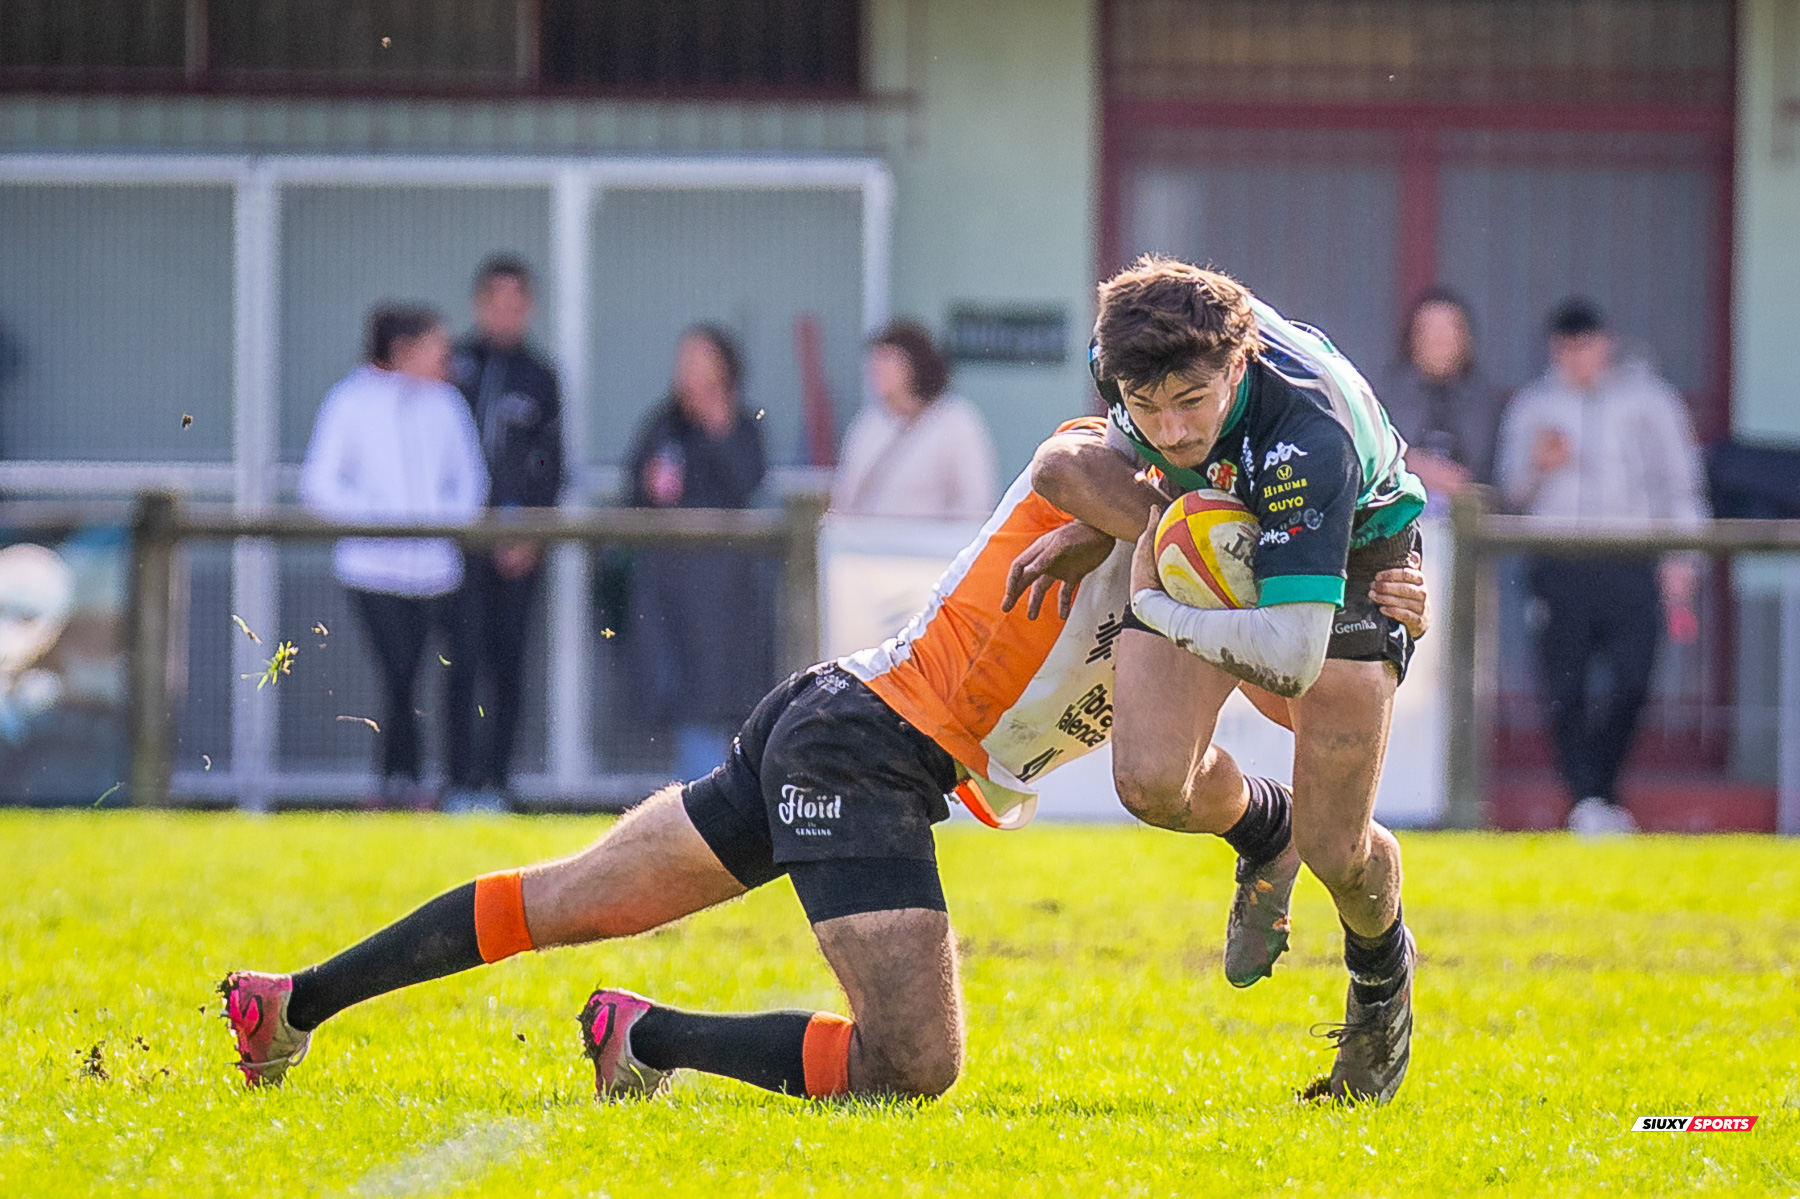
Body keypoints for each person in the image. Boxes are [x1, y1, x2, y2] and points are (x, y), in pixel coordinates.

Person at [218, 417, 1429, 1104]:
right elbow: (1071, 464)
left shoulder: (1235, 570)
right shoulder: (1130, 480)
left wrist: (1373, 620)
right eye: (1154, 400)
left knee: (576, 897)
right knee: (911, 1067)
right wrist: (1163, 501)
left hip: (837, 715)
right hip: (865, 749)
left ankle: (291, 1003)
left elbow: (1291, 687)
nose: (1172, 420)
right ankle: (645, 1036)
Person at [1007, 256, 1427, 1103]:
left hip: (1349, 565)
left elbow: (1290, 657)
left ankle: (1382, 989)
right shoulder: (1129, 356)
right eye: (1144, 403)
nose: (1168, 426)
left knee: (1339, 851)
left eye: (1191, 402)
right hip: (1225, 521)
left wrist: (1159, 607)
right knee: (1152, 782)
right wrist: (1106, 527)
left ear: (1238, 364)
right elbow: (1130, 450)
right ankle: (1262, 828)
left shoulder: (1310, 435)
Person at [1494, 298, 1707, 836]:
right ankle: (1588, 800)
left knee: (1634, 677)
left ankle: (1599, 789)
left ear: (1605, 344)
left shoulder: (1650, 401)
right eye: (1565, 348)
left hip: (1630, 556)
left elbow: (1678, 484)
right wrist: (1538, 467)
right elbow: (1508, 495)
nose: (1576, 358)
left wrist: (1683, 559)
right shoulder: (1533, 405)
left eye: (1585, 346)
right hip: (1559, 560)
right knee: (1563, 685)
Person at [299, 304, 489, 810]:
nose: (446, 358)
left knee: (455, 673)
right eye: (435, 347)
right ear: (403, 349)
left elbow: (470, 480)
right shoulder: (349, 402)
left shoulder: (447, 404)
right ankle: (396, 782)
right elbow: (320, 484)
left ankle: (455, 786)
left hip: (438, 572)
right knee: (398, 676)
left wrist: (441, 524)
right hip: (372, 572)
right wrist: (381, 520)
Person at [443, 256, 565, 813]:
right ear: (478, 304)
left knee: (508, 664)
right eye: (497, 303)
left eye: (517, 304)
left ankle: (496, 782)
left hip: (517, 548)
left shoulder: (541, 376)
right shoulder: (454, 367)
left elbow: (551, 461)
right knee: (459, 661)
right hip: (457, 548)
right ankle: (456, 782)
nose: (506, 314)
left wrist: (531, 535)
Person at [623, 326, 771, 782]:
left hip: (726, 595)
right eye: (681, 361)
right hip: (665, 588)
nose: (686, 373)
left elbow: (748, 480)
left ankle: (710, 794)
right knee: (668, 691)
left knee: (721, 699)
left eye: (698, 361)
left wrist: (717, 424)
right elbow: (635, 490)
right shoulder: (662, 424)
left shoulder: (742, 425)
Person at [830, 321, 998, 520]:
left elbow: (975, 500)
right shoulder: (867, 424)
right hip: (869, 546)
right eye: (875, 361)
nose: (877, 370)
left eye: (889, 360)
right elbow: (846, 496)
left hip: (931, 548)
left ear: (915, 365)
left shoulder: (956, 422)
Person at [1377, 289, 1502, 508]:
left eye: (1448, 330)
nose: (1438, 340)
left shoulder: (1486, 401)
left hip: (1468, 522)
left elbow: (1497, 477)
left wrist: (1460, 483)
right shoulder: (1384, 395)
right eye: (1429, 331)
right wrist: (1411, 465)